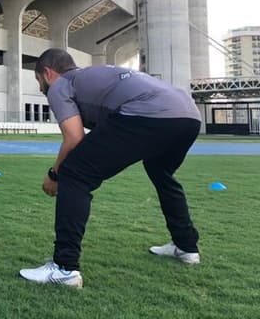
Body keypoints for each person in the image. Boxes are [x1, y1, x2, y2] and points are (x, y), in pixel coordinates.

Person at [19, 48, 201, 288]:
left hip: (147, 113)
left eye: (39, 81)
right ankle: (186, 246)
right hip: (188, 116)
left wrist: (55, 174)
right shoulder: (93, 76)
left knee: (74, 173)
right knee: (161, 173)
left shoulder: (61, 85)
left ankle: (65, 268)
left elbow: (74, 138)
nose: (41, 88)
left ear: (48, 73)